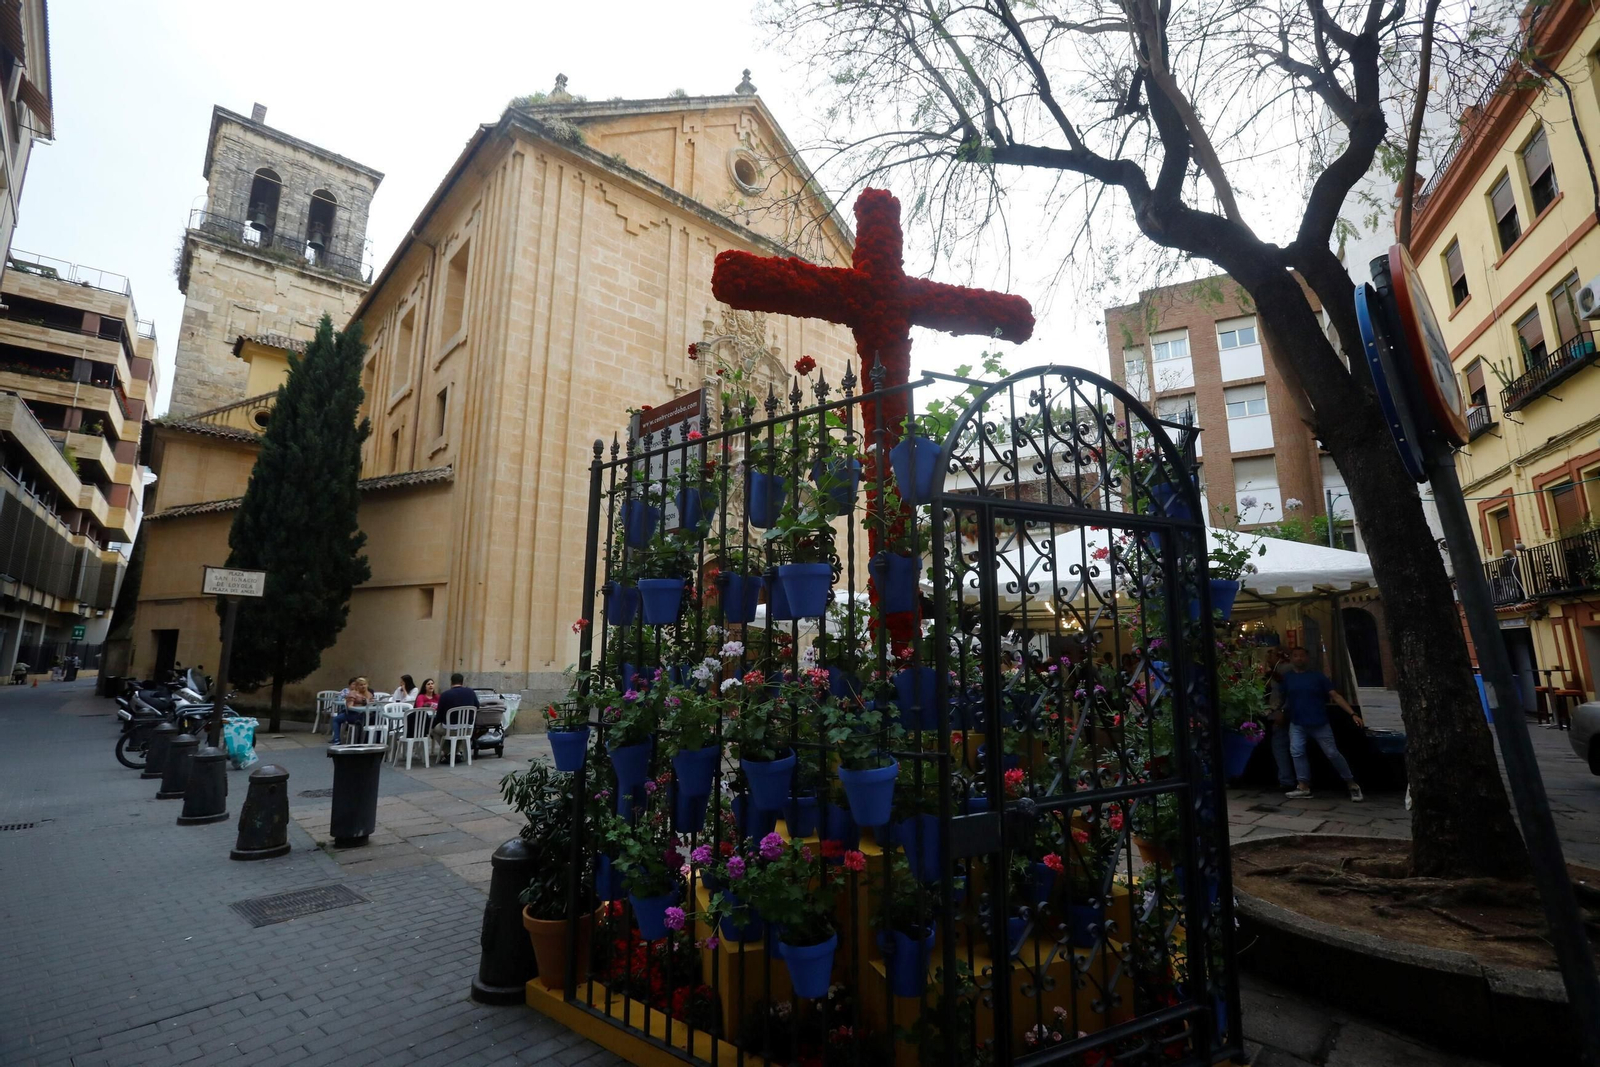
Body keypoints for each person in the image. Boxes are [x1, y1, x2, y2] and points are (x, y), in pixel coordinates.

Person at [1279, 646, 1364, 801]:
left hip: (1319, 722)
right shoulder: (1288, 678)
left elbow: (1335, 696)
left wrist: (1352, 713)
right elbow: (1284, 699)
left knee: (1332, 753)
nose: (1299, 658)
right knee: (1297, 752)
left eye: (1302, 655)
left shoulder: (1317, 677)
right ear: (1291, 659)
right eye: (1295, 656)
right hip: (1297, 723)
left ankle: (1352, 783)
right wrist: (1279, 712)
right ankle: (1303, 786)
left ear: (1307, 658)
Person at [1263, 649, 1296, 791]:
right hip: (1280, 711)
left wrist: (1282, 710)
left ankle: (1287, 780)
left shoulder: (1285, 669)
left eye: (1270, 655)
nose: (1267, 659)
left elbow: (1288, 691)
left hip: (1283, 712)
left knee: (1281, 746)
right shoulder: (1278, 670)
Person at [431, 672, 480, 758]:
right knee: (460, 730)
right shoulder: (471, 692)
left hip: (450, 729)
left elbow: (439, 715)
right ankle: (457, 752)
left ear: (451, 682)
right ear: (462, 682)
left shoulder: (445, 695)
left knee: (433, 730)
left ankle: (448, 751)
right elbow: (477, 706)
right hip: (467, 729)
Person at [329, 677, 374, 743]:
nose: (363, 686)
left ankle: (337, 739)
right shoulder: (352, 694)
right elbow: (350, 706)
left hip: (365, 716)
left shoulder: (369, 694)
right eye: (361, 685)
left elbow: (372, 704)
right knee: (336, 719)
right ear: (357, 686)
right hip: (353, 714)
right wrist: (360, 707)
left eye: (365, 684)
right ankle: (337, 739)